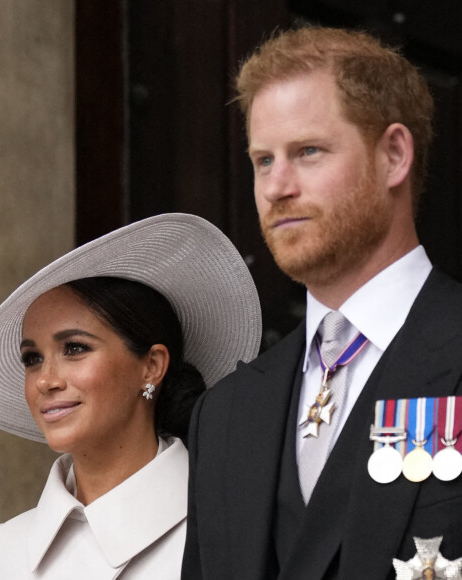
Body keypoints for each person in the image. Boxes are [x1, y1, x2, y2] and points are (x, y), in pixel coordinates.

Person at [182, 26, 462, 580]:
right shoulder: (225, 415)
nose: (275, 187)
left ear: (394, 155)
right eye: (263, 160)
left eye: (307, 152)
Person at [0, 213, 261, 579]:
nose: (45, 380)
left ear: (152, 366)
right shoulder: (4, 550)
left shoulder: (236, 529)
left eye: (75, 349)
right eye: (32, 358)